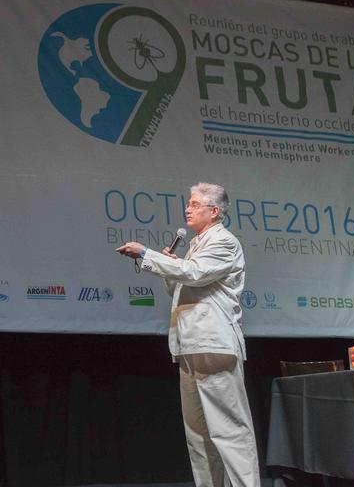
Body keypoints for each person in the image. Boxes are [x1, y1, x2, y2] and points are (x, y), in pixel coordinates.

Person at [115, 182, 260, 487]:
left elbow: (194, 273)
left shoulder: (224, 242)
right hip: (191, 344)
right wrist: (169, 265)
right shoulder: (196, 244)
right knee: (198, 435)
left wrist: (148, 254)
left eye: (195, 204)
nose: (187, 209)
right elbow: (182, 285)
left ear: (214, 211)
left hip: (214, 344)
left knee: (229, 431)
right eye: (189, 204)